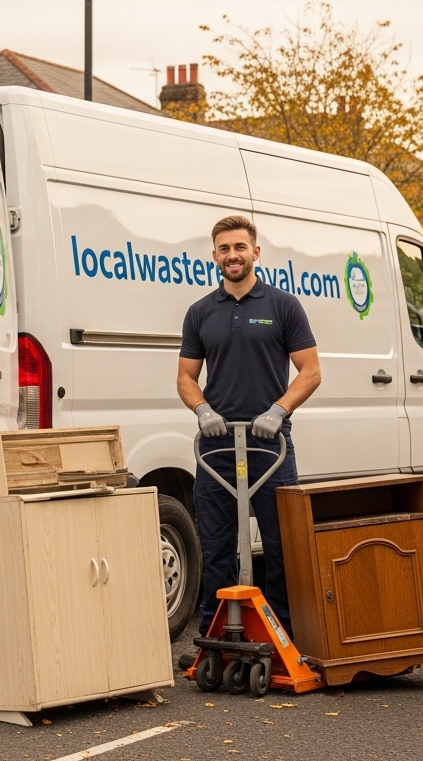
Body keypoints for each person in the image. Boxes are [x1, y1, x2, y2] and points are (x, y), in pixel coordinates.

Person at [176, 215, 321, 637]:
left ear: (255, 252)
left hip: (270, 448)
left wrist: (279, 410)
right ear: (214, 255)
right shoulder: (200, 312)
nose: (232, 255)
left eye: (239, 247)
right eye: (224, 249)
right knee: (216, 546)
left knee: (280, 546)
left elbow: (310, 371)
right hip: (218, 448)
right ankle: (215, 639)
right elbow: (186, 377)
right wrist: (203, 410)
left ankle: (281, 637)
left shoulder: (282, 306)